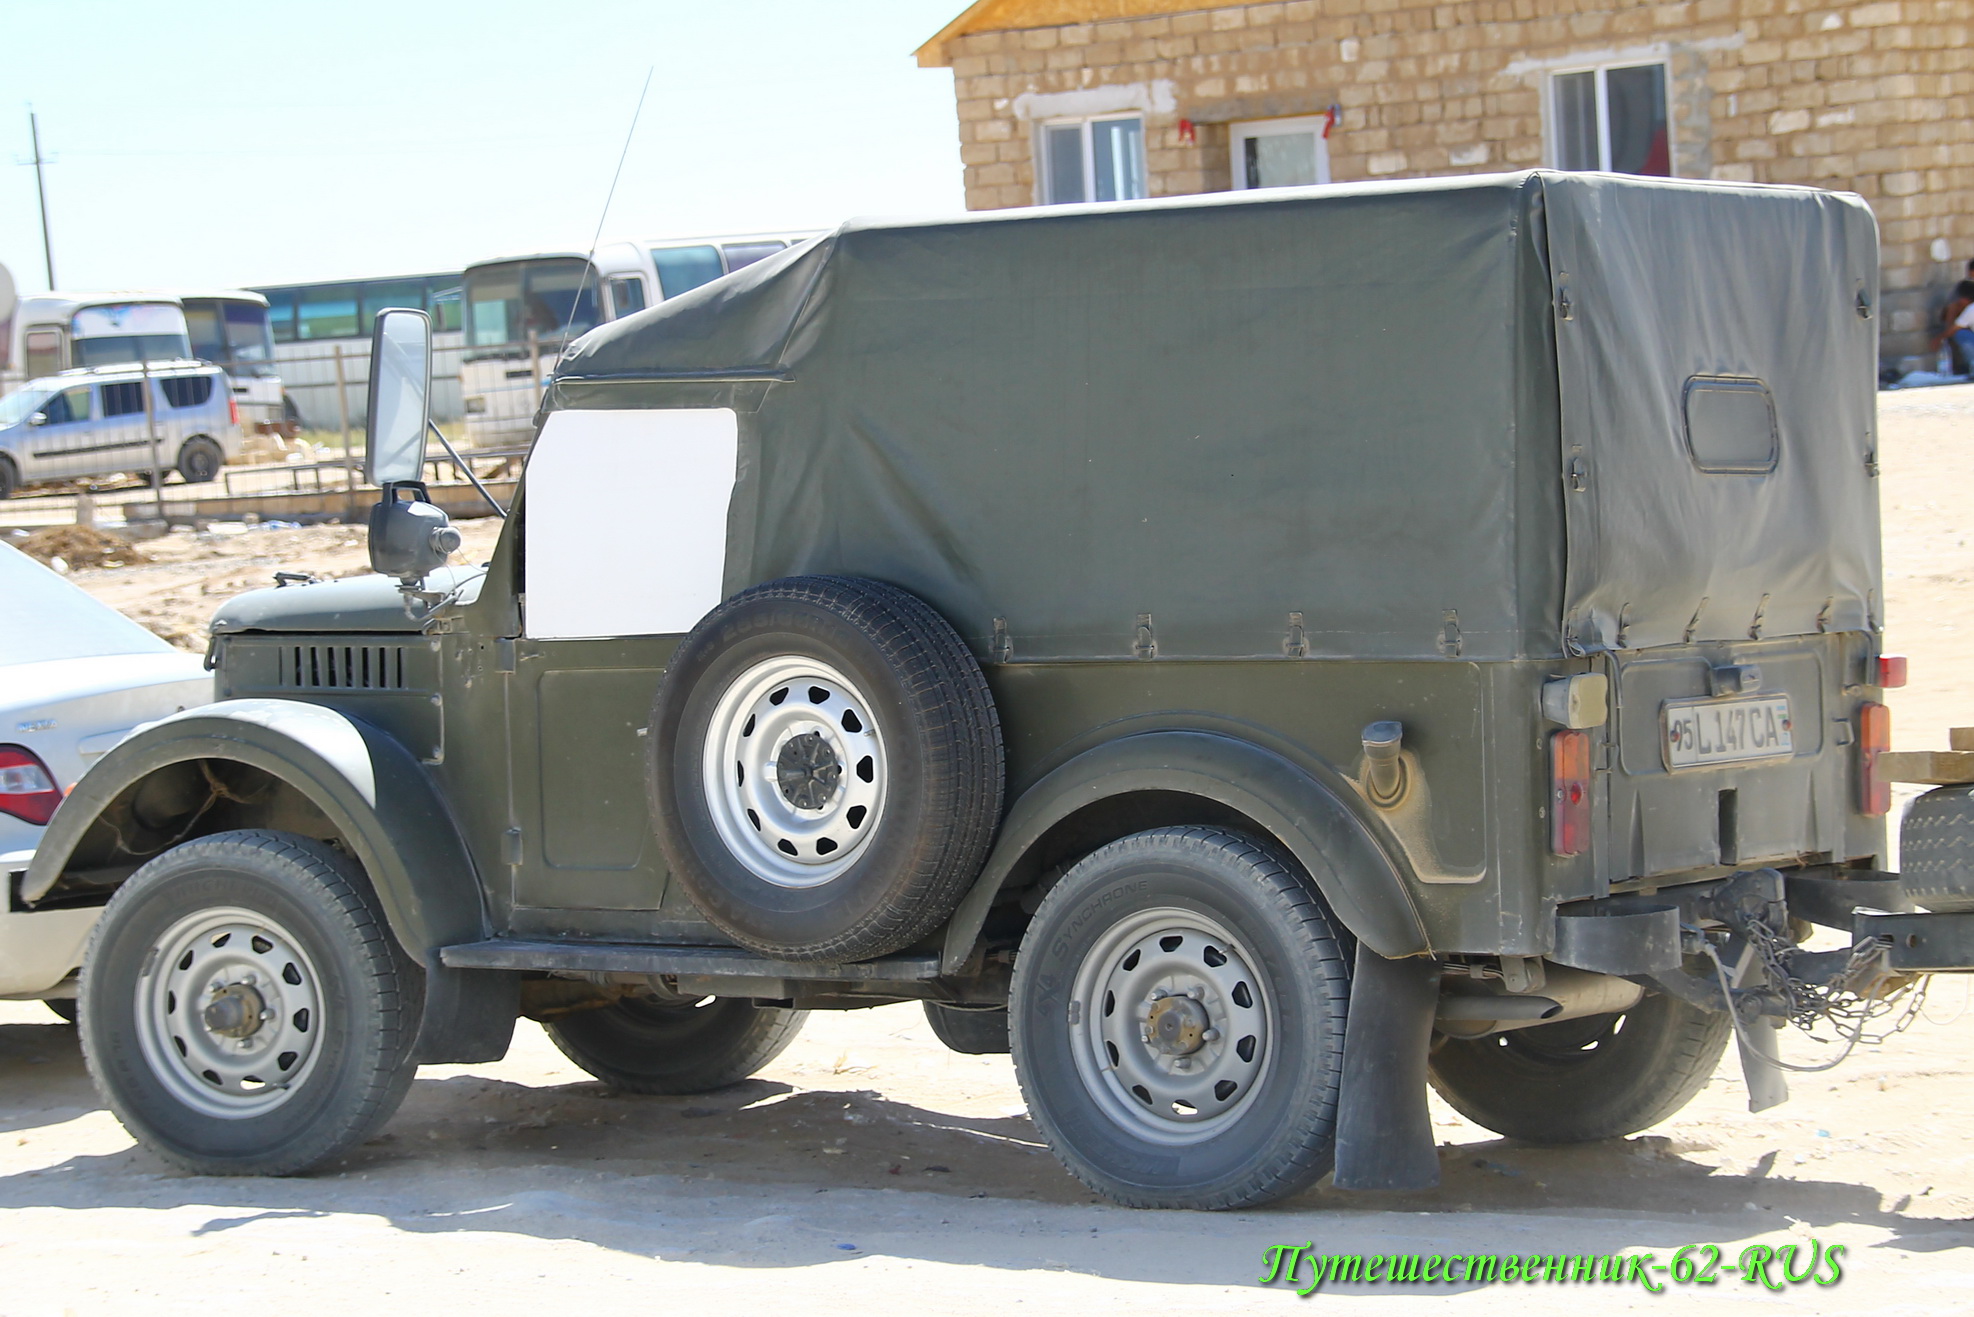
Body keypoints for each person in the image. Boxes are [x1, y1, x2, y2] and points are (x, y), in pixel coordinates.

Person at [1930, 258, 1974, 374]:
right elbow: (1952, 308)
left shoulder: (1970, 309)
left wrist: (1941, 337)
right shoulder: (1965, 288)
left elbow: (1955, 327)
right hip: (1966, 325)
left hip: (1964, 327)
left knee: (1960, 334)